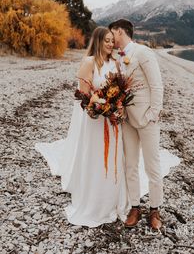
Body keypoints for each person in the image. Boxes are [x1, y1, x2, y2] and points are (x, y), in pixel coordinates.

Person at [35, 27, 132, 227]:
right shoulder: (89, 63)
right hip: (95, 122)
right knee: (95, 157)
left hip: (112, 120)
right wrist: (98, 106)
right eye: (106, 40)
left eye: (112, 40)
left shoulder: (116, 62)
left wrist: (118, 106)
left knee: (114, 158)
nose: (110, 44)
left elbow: (121, 91)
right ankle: (93, 201)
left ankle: (113, 199)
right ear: (97, 41)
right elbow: (83, 96)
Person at [109, 18, 165, 230]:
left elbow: (156, 85)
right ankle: (135, 207)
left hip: (146, 118)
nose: (110, 38)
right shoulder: (117, 57)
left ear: (120, 31)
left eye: (112, 33)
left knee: (152, 165)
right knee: (130, 164)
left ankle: (155, 209)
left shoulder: (143, 52)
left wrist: (153, 113)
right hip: (126, 119)